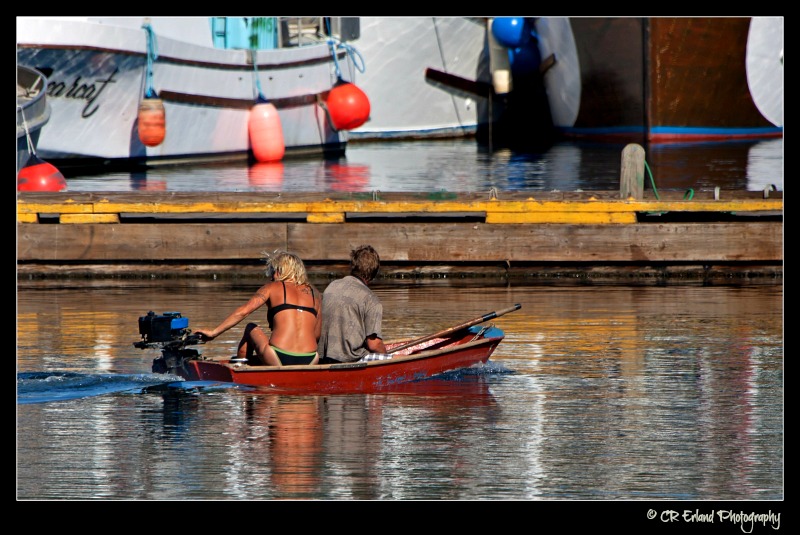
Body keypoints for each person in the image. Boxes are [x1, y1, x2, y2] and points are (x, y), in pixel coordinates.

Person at [195, 251, 321, 366]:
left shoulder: (272, 287)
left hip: (277, 355)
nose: (271, 277)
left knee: (250, 328)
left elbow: (243, 312)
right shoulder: (315, 293)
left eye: (272, 272)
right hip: (310, 358)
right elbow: (316, 335)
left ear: (279, 270)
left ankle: (241, 369)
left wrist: (214, 333)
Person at [317, 244, 387, 364]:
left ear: (352, 265)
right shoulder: (371, 300)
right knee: (393, 358)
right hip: (349, 359)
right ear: (375, 272)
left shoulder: (332, 286)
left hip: (322, 357)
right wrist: (387, 356)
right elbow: (374, 344)